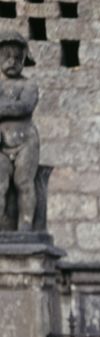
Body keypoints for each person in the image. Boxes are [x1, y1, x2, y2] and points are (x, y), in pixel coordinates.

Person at [0, 31, 39, 232]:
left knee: (24, 182)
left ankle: (25, 226)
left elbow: (25, 107)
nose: (12, 61)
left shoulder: (29, 84)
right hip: (1, 143)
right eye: (6, 56)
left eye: (17, 57)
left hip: (26, 141)